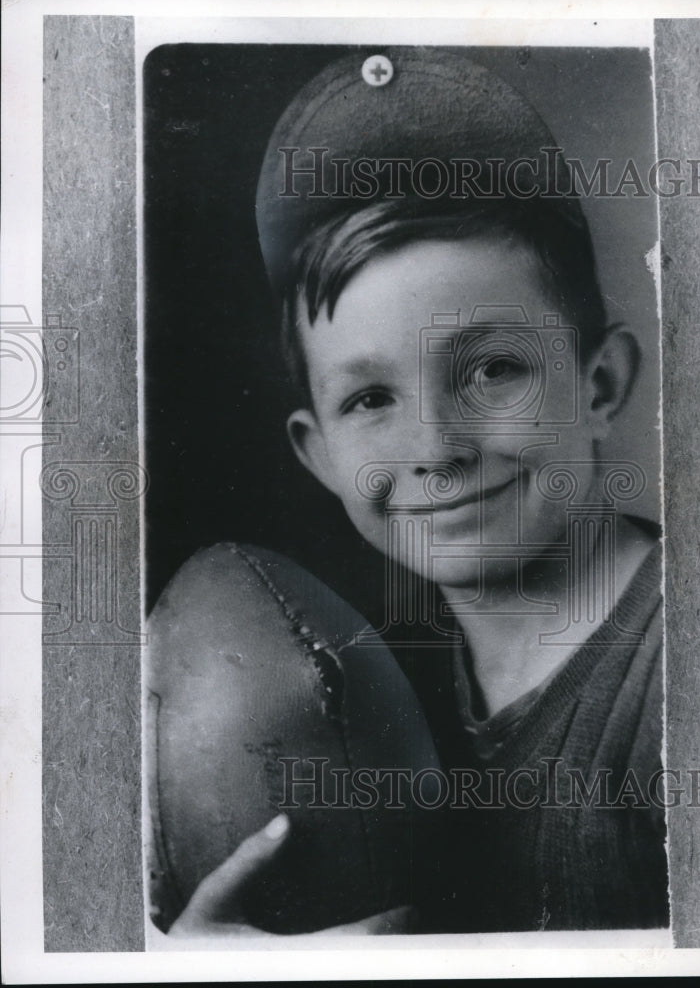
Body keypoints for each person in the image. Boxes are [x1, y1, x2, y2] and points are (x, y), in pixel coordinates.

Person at [148, 48, 668, 939]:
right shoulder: (373, 688)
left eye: (494, 369)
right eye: (370, 399)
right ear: (318, 456)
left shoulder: (696, 670)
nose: (434, 449)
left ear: (603, 384)